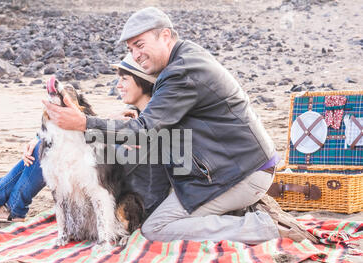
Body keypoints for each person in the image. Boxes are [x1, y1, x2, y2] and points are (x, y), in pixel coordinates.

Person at [42, 7, 297, 244]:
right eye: (131, 49)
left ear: (165, 36)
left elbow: (145, 130)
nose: (136, 55)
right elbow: (155, 121)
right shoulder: (184, 59)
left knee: (157, 228)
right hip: (225, 169)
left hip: (239, 175)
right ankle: (238, 211)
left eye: (140, 45)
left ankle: (262, 227)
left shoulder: (181, 71)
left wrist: (85, 123)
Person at [0, 53, 170, 222]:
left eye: (124, 79)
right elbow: (95, 129)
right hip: (101, 190)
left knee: (52, 148)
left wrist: (47, 139)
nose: (117, 85)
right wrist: (39, 135)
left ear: (143, 81)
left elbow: (109, 151)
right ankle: (1, 206)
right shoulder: (134, 115)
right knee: (45, 146)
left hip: (122, 203)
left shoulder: (149, 124)